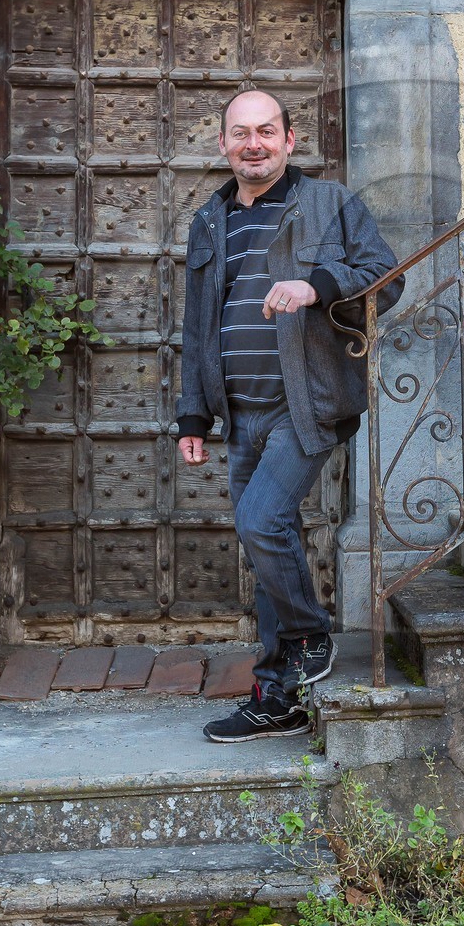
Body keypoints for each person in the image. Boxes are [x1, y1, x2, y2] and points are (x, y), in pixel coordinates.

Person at [177, 89, 403, 742]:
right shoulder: (209, 221)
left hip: (306, 404)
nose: (254, 143)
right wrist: (192, 416)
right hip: (239, 412)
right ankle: (278, 696)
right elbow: (198, 324)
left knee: (260, 520)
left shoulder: (330, 203)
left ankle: (308, 634)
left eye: (266, 131)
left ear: (288, 139)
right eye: (241, 133)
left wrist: (318, 285)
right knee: (261, 537)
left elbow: (386, 276)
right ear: (223, 143)